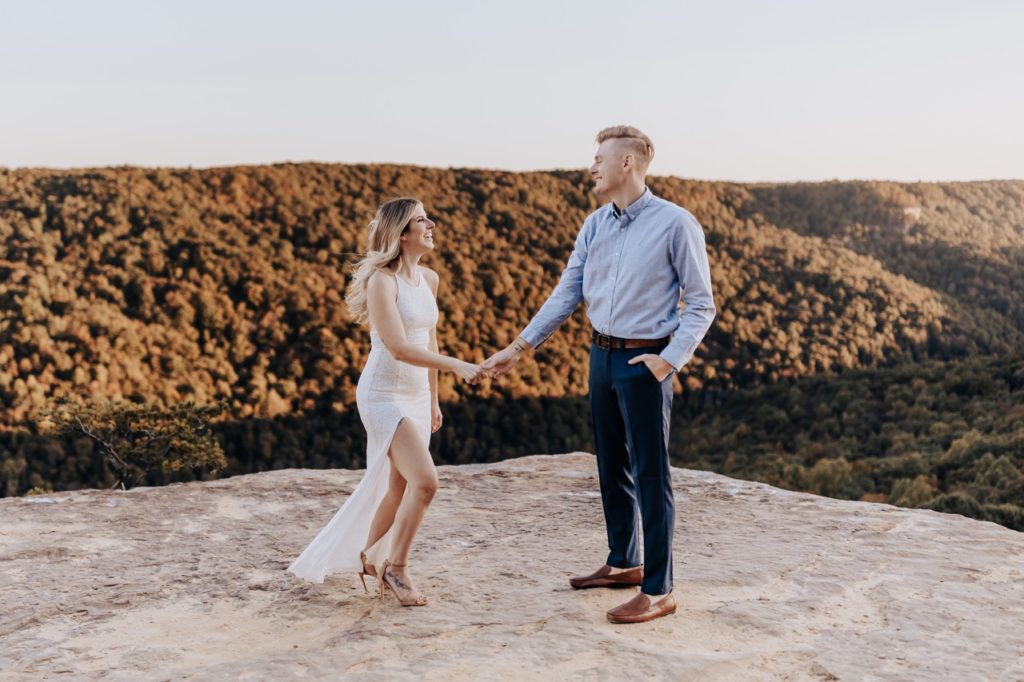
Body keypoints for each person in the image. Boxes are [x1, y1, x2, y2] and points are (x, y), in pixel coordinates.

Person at [483, 126, 716, 624]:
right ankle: (624, 561)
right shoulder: (593, 225)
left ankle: (659, 589)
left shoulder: (676, 224)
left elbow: (701, 305)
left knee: (652, 473)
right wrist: (518, 348)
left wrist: (667, 360)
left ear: (627, 164)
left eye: (599, 158)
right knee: (611, 466)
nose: (591, 167)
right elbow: (567, 293)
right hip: (601, 357)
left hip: (645, 362)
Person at [288, 197, 481, 606]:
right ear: (402, 233)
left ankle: (370, 559)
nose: (431, 224)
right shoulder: (382, 280)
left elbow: (428, 339)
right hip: (383, 394)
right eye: (421, 219)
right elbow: (396, 347)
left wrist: (433, 400)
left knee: (398, 485)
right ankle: (397, 568)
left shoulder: (429, 279)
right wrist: (458, 366)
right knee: (426, 483)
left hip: (415, 394)